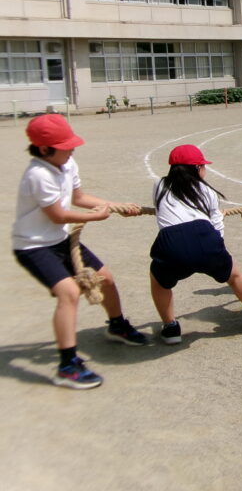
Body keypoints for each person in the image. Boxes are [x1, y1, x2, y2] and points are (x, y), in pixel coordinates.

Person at [13, 114, 146, 390]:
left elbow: (79, 198)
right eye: (66, 146)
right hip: (34, 246)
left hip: (60, 240)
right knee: (69, 293)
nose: (72, 149)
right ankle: (67, 366)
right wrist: (96, 217)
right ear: (44, 149)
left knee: (106, 278)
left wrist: (117, 205)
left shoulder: (66, 163)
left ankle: (117, 325)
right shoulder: (38, 174)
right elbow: (58, 215)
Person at [150, 145, 242, 343]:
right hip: (205, 236)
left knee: (159, 282)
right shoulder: (207, 191)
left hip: (172, 242)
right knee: (234, 275)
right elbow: (217, 224)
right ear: (197, 168)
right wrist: (217, 248)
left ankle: (171, 328)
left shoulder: (160, 184)